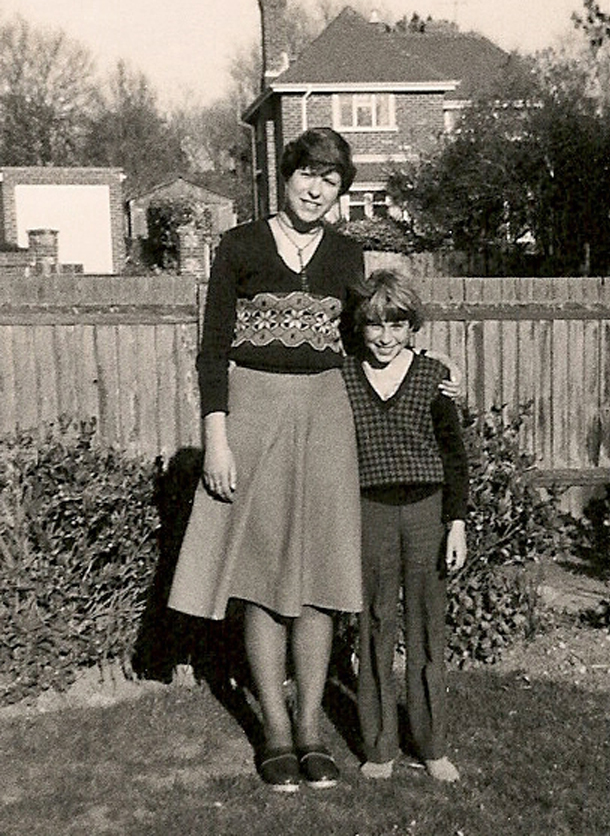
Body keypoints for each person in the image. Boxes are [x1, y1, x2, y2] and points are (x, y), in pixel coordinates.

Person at [168, 127, 364, 792]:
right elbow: (212, 350)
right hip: (251, 416)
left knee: (316, 577)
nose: (316, 188)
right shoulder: (240, 246)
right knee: (260, 576)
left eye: (331, 179)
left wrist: (430, 362)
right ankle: (274, 734)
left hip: (325, 418)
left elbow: (369, 341)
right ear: (284, 177)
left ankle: (311, 731)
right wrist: (216, 437)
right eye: (306, 174)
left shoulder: (346, 254)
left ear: (341, 190)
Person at [341, 269, 469, 783]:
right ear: (361, 326)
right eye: (375, 325)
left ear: (412, 326)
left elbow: (454, 456)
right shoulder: (344, 376)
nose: (386, 338)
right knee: (374, 625)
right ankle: (379, 747)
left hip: (426, 512)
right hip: (368, 511)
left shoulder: (434, 376)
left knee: (425, 628)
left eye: (397, 325)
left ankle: (433, 745)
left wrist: (455, 522)